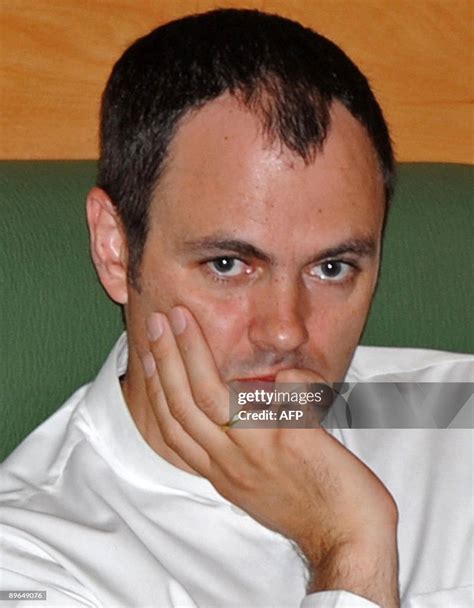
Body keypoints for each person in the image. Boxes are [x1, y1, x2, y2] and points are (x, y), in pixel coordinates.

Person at [1, 8, 472, 608]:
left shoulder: (450, 408)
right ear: (116, 248)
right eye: (228, 264)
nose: (284, 331)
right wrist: (349, 545)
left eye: (332, 269)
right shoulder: (30, 557)